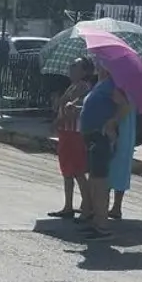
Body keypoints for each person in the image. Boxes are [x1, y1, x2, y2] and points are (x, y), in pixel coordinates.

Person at [79, 61, 132, 240]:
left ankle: (102, 225)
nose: (97, 64)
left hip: (100, 138)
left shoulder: (111, 84)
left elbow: (125, 106)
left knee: (100, 183)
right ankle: (96, 222)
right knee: (95, 181)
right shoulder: (101, 84)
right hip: (92, 137)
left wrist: (112, 122)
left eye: (101, 62)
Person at [48, 57, 95, 219]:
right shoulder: (72, 86)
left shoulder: (83, 87)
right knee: (67, 170)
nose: (71, 68)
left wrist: (57, 121)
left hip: (74, 132)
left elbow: (72, 109)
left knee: (77, 170)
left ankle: (88, 206)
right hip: (66, 133)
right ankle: (68, 206)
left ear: (85, 71)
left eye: (75, 66)